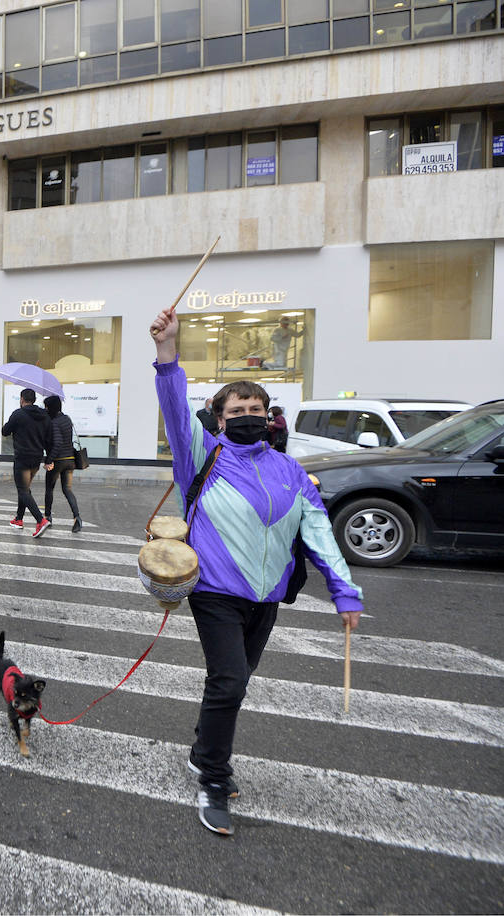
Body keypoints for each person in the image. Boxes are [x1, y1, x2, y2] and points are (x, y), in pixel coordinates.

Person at [150, 304, 363, 837]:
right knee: (230, 680)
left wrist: (346, 592)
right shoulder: (201, 457)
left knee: (233, 685)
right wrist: (167, 354)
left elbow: (316, 532)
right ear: (220, 419)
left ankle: (203, 749)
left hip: (266, 599)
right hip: (215, 593)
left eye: (256, 406)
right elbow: (176, 412)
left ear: (269, 416)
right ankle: (214, 778)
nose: (247, 412)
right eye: (237, 407)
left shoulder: (290, 468)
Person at [1, 388, 50, 537]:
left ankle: (40, 520)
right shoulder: (44, 415)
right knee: (24, 489)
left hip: (22, 458)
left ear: (22, 399)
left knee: (23, 490)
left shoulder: (18, 414)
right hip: (36, 458)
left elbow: (5, 431)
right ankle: (19, 519)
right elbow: (48, 437)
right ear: (34, 400)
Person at [40, 396, 84, 533]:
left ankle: (47, 517)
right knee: (67, 489)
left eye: (46, 407)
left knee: (49, 488)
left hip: (58, 461)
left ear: (51, 407)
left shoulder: (54, 422)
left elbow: (58, 443)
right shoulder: (66, 419)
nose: (45, 409)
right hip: (70, 460)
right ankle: (77, 517)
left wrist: (49, 459)